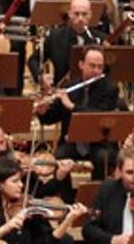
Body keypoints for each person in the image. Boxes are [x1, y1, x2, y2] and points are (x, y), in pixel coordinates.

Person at [36, 46, 122, 180]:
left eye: (100, 67)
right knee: (60, 155)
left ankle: (95, 195)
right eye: (92, 66)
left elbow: (99, 115)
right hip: (73, 143)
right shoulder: (69, 86)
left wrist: (72, 106)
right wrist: (43, 112)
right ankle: (67, 197)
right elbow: (51, 118)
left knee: (102, 158)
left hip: (100, 143)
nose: (97, 71)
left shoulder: (110, 89)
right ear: (81, 64)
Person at [26, 0, 104, 89]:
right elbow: (33, 60)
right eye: (76, 14)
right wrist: (40, 76)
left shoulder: (99, 39)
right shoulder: (55, 36)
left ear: (90, 15)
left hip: (95, 92)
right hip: (62, 90)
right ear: (70, 14)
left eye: (84, 14)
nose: (80, 18)